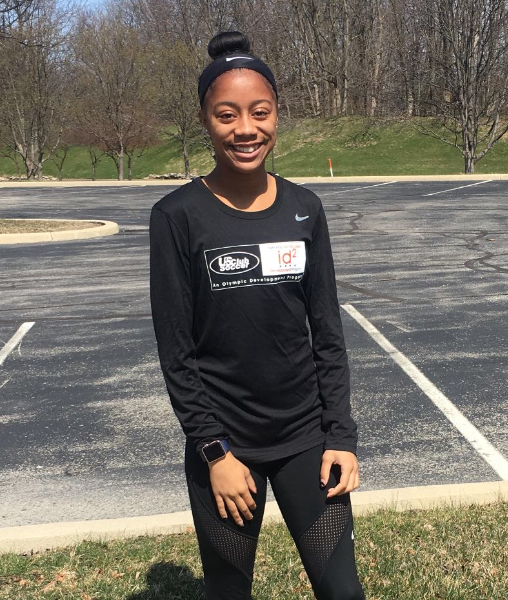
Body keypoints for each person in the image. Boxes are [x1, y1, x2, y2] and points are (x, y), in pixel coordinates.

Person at [149, 30, 365, 600]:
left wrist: (341, 436)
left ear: (276, 114)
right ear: (205, 120)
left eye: (259, 112)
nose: (245, 129)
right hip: (226, 446)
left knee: (343, 591)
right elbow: (176, 351)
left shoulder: (304, 208)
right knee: (229, 592)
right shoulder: (176, 216)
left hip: (306, 440)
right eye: (227, 115)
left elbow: (327, 333)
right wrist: (213, 451)